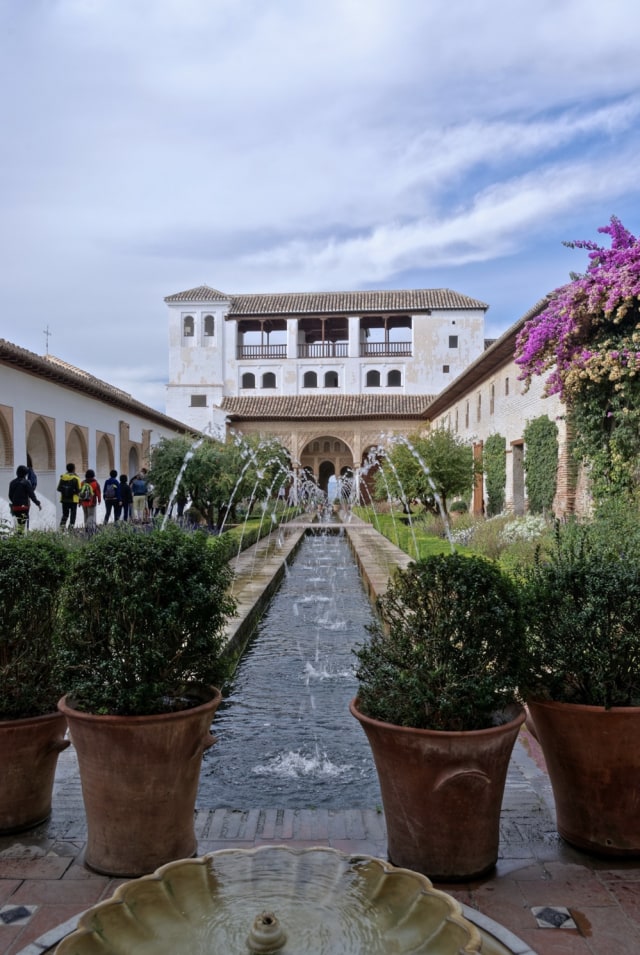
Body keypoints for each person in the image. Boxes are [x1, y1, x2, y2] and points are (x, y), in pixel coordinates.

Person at [57, 463, 82, 529]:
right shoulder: (76, 478)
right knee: (73, 515)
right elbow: (79, 490)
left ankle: (61, 529)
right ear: (74, 469)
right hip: (73, 500)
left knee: (65, 515)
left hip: (64, 499)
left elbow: (59, 489)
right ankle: (70, 530)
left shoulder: (63, 477)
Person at [80, 468, 102, 533]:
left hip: (84, 502)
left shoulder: (82, 483)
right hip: (91, 502)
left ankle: (86, 528)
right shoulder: (95, 483)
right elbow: (98, 493)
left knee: (85, 515)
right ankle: (90, 529)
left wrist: (80, 501)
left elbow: (80, 492)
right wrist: (99, 500)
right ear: (93, 475)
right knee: (91, 515)